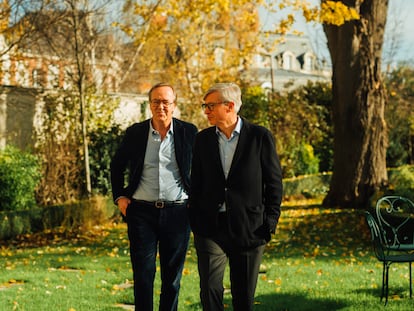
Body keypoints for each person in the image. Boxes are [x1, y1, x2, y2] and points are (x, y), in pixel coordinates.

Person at [189, 82, 283, 311]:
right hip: (210, 228)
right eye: (205, 106)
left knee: (243, 297)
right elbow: (197, 182)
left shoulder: (260, 137)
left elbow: (274, 183)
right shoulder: (202, 139)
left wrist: (270, 222)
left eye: (210, 106)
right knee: (210, 289)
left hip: (249, 228)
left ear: (229, 106)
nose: (206, 111)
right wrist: (196, 220)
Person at [110, 82, 198, 311]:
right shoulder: (136, 133)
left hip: (178, 212)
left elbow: (202, 169)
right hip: (141, 213)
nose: (161, 106)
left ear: (174, 105)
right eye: (156, 101)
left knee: (172, 278)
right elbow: (117, 165)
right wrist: (120, 196)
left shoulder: (189, 132)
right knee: (143, 275)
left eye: (166, 102)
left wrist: (196, 200)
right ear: (150, 104)